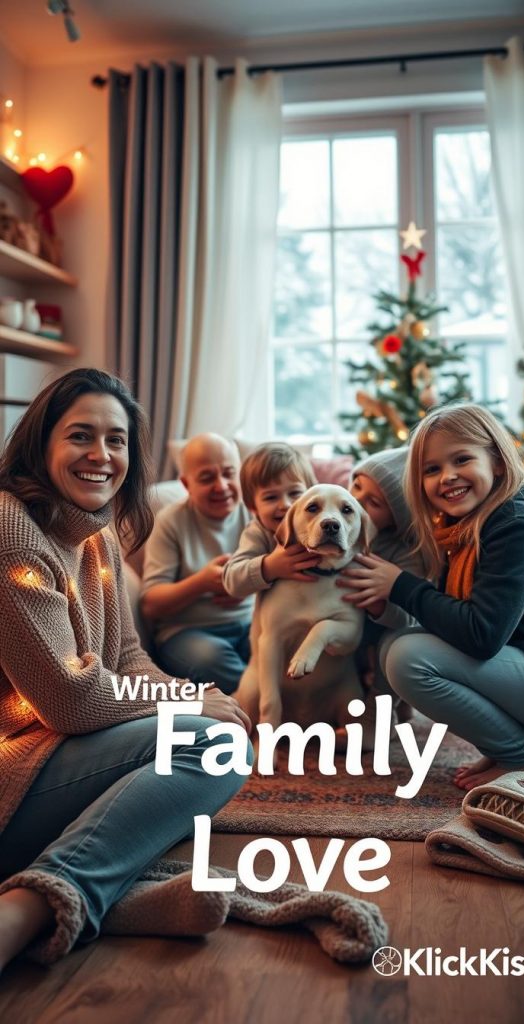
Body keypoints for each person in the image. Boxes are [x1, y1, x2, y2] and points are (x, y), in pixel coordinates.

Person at [0, 369, 251, 973]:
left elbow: (128, 658)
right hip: (14, 769)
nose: (101, 455)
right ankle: (34, 905)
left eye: (116, 440)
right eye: (81, 436)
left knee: (219, 741)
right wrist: (187, 708)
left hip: (54, 751)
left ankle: (115, 900)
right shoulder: (11, 530)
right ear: (42, 443)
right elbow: (70, 699)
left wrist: (193, 694)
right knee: (212, 748)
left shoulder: (96, 531)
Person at [339, 403, 524, 789]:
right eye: (432, 469)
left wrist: (400, 585)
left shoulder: (519, 525)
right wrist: (386, 602)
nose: (447, 477)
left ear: (498, 462)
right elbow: (449, 619)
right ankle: (514, 746)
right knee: (396, 646)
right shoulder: (464, 528)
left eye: (461, 459)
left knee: (409, 658)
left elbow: (481, 635)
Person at [140, 434, 253, 694]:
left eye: (229, 474)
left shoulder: (254, 514)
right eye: (206, 478)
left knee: (280, 651)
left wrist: (250, 584)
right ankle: (267, 716)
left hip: (250, 624)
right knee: (210, 660)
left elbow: (281, 569)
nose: (221, 486)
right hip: (188, 632)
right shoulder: (171, 521)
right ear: (186, 484)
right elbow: (150, 604)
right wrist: (201, 583)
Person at [347, 448, 429, 717]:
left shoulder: (406, 552)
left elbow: (408, 619)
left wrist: (378, 607)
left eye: (373, 503)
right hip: (345, 625)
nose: (356, 500)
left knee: (392, 641)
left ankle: (377, 715)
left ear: (396, 520)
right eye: (356, 486)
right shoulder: (335, 523)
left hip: (384, 628)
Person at [223, 441, 319, 599]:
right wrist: (270, 567)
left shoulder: (322, 524)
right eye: (271, 497)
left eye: (295, 493)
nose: (286, 504)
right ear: (253, 507)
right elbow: (231, 583)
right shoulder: (258, 532)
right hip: (278, 619)